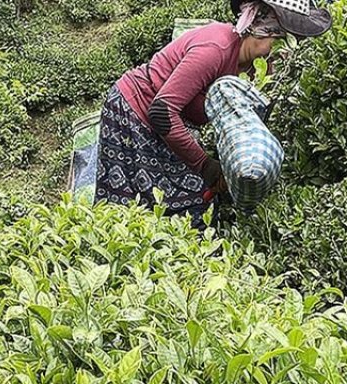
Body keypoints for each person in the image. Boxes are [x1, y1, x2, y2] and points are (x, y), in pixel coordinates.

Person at [94, 0, 331, 227]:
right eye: (280, 43)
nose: (282, 56)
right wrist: (206, 166)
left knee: (190, 200)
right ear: (261, 30)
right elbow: (162, 111)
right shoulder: (216, 48)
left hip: (174, 124)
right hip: (133, 114)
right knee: (134, 205)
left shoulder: (258, 67)